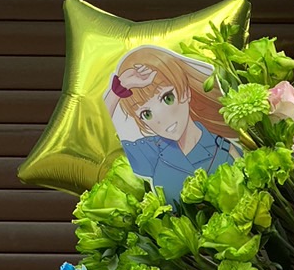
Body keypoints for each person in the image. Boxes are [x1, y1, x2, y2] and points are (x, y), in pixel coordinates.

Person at [103, 47, 241, 203]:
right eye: (146, 114)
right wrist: (117, 90)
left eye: (167, 98)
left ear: (186, 92)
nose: (161, 119)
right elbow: (102, 128)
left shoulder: (225, 148)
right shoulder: (151, 151)